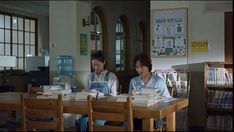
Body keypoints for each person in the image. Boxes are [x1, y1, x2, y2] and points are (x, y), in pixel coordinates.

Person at [76, 51, 119, 131]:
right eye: (93, 65)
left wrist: (98, 93)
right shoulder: (90, 76)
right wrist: (84, 92)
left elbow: (114, 97)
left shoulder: (111, 77)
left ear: (104, 62)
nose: (95, 67)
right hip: (91, 109)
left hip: (106, 110)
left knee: (98, 123)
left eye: (98, 65)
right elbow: (86, 94)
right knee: (81, 121)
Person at [128, 53, 171, 130]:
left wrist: (157, 99)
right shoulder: (133, 81)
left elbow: (168, 100)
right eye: (137, 67)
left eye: (142, 67)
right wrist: (131, 96)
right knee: (129, 122)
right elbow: (129, 101)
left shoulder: (159, 81)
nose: (139, 70)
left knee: (147, 122)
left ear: (148, 66)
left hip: (155, 116)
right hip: (137, 115)